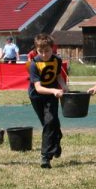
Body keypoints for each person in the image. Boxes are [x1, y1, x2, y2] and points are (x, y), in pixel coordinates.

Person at [28, 33, 68, 168]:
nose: (44, 54)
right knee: (48, 124)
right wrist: (54, 90)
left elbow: (58, 76)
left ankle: (45, 157)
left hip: (52, 96)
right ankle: (56, 138)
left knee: (50, 122)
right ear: (36, 50)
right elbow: (38, 88)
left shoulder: (57, 60)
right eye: (41, 51)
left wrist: (63, 86)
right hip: (37, 96)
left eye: (47, 51)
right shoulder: (34, 65)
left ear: (53, 48)